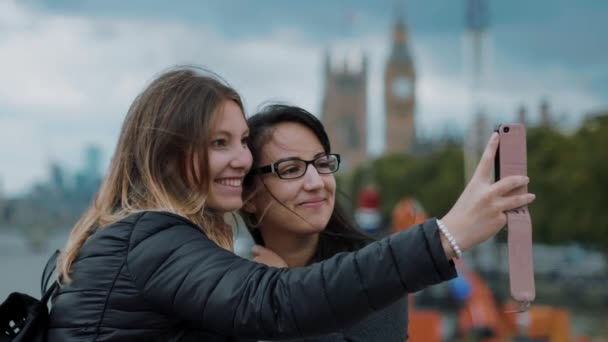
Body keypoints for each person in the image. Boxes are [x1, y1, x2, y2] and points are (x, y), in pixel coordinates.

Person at [47, 66, 535, 342]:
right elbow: (278, 305)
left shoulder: (157, 245)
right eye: (220, 143)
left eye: (322, 163)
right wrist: (447, 234)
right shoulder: (154, 239)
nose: (239, 158)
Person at [240, 104, 409, 341]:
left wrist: (284, 300)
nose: (316, 183)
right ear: (248, 196)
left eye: (322, 164)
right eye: (290, 169)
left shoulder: (376, 268)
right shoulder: (235, 283)